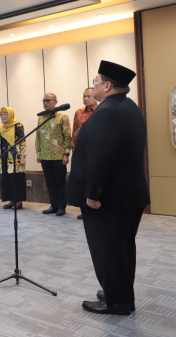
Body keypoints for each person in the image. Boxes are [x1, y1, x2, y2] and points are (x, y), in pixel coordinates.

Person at [67, 60, 149, 316]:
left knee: (108, 250)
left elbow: (101, 157)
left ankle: (117, 301)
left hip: (109, 199)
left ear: (107, 85)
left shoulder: (108, 111)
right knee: (122, 249)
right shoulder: (128, 106)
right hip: (127, 194)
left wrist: (93, 194)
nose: (93, 85)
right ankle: (120, 293)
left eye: (96, 81)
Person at [36, 93, 72, 216]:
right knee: (50, 182)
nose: (45, 102)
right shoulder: (41, 117)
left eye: (48, 100)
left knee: (60, 183)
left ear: (56, 102)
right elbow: (38, 136)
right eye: (44, 100)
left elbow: (67, 136)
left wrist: (66, 153)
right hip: (45, 155)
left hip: (58, 156)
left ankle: (61, 207)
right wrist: (39, 152)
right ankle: (53, 205)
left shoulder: (62, 117)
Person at [72, 87, 98, 220]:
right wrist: (74, 149)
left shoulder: (101, 111)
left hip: (96, 151)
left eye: (89, 96)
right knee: (82, 180)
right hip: (81, 152)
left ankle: (95, 207)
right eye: (84, 96)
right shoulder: (78, 113)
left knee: (94, 180)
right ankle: (84, 209)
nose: (86, 99)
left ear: (96, 97)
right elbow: (75, 132)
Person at [0, 107, 26, 209]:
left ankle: (18, 200)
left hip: (15, 155)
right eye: (1, 114)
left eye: (5, 113)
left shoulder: (18, 125)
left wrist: (22, 156)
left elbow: (22, 142)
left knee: (16, 178)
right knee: (6, 178)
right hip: (4, 156)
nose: (3, 116)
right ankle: (11, 199)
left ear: (10, 114)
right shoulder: (1, 128)